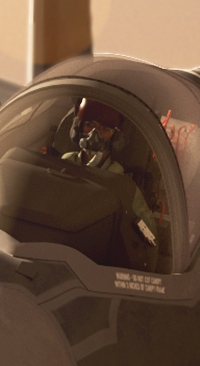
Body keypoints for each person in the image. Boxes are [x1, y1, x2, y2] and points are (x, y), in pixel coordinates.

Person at [52, 97, 169, 258]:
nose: (94, 134)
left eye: (104, 129)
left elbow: (149, 243)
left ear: (116, 139)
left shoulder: (124, 187)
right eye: (89, 125)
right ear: (77, 127)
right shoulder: (62, 164)